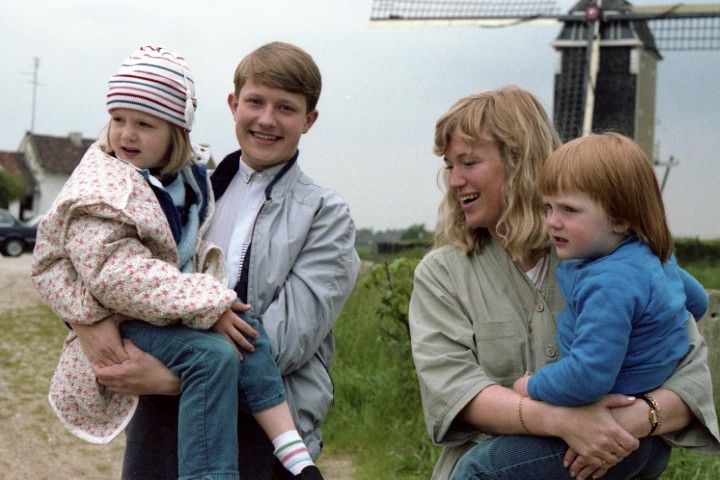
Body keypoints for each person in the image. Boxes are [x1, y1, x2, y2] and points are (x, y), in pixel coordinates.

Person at [31, 44, 325, 480]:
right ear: (234, 104)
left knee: (243, 328)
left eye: (285, 107)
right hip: (154, 360)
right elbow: (90, 269)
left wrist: (171, 376)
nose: (127, 134)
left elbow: (291, 337)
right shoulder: (123, 187)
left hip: (226, 395)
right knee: (221, 342)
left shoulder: (189, 186)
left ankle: (293, 453)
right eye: (118, 120)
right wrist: (86, 323)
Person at [408, 86, 720, 480]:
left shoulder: (610, 251)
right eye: (449, 166)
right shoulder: (441, 275)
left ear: (520, 161)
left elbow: (690, 378)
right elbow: (455, 390)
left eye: (468, 162)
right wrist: (562, 421)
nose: (454, 181)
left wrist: (624, 424)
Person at [511, 132, 709, 474]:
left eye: (569, 209)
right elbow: (697, 302)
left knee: (482, 468)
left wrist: (530, 386)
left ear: (620, 218)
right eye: (548, 207)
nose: (552, 221)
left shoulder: (608, 282)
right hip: (651, 430)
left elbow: (588, 376)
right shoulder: (653, 255)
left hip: (607, 428)